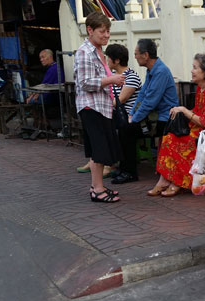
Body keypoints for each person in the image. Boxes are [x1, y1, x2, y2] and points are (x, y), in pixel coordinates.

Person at [148, 54, 205, 197]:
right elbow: (199, 114)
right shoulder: (201, 89)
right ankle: (164, 180)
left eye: (195, 68)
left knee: (180, 142)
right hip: (202, 130)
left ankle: (177, 182)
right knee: (169, 137)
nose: (192, 71)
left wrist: (184, 110)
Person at [74, 11, 125, 203]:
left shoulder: (98, 51)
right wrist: (111, 79)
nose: (106, 35)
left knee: (99, 149)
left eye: (108, 31)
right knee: (98, 148)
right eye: (102, 31)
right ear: (90, 30)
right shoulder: (84, 52)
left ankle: (98, 187)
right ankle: (97, 189)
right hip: (91, 107)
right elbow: (85, 82)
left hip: (101, 106)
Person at [112, 38, 178, 184]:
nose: (135, 57)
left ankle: (130, 172)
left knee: (127, 130)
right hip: (154, 117)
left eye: (136, 54)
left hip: (165, 119)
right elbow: (142, 95)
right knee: (124, 127)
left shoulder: (160, 71)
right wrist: (131, 114)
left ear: (145, 55)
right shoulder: (151, 70)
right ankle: (124, 169)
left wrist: (134, 119)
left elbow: (150, 102)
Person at [77, 43, 142, 178]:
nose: (106, 61)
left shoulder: (131, 77)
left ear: (117, 60)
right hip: (112, 113)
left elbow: (119, 101)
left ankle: (106, 163)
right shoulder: (111, 75)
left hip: (125, 116)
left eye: (108, 58)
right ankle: (95, 160)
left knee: (106, 126)